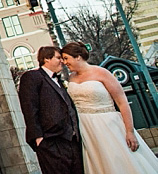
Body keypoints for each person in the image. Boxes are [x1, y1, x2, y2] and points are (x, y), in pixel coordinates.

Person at [61, 41, 158, 173]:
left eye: (66, 58)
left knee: (119, 160)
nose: (64, 62)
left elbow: (122, 102)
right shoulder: (71, 77)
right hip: (85, 128)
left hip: (108, 124)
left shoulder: (102, 73)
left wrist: (130, 131)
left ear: (77, 56)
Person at [18, 46, 84, 173]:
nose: (63, 62)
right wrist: (38, 138)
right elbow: (29, 108)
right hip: (51, 142)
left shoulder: (59, 80)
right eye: (58, 58)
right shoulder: (32, 77)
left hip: (71, 142)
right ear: (47, 59)